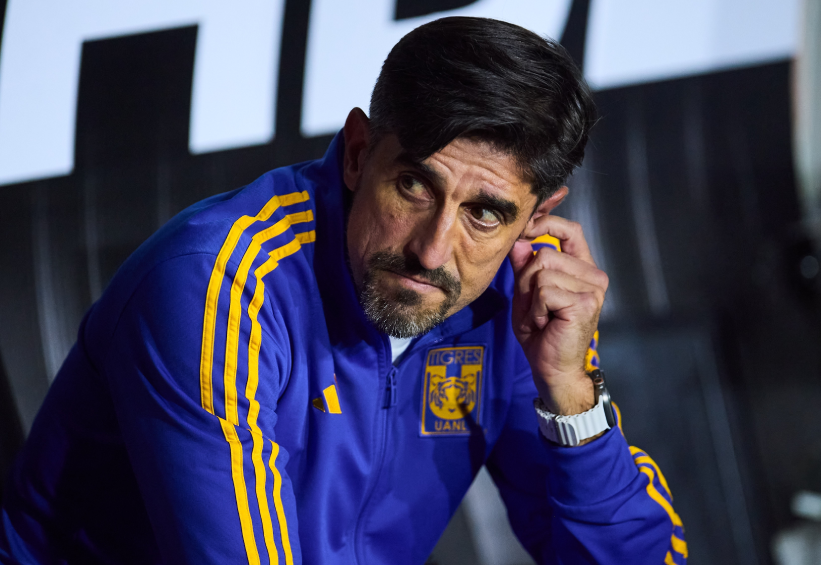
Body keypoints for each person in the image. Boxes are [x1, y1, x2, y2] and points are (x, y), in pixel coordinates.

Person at [0, 17, 686, 565]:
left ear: (536, 216)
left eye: (484, 213)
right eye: (414, 185)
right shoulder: (218, 286)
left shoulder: (513, 299)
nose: (432, 251)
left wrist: (572, 396)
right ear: (359, 152)